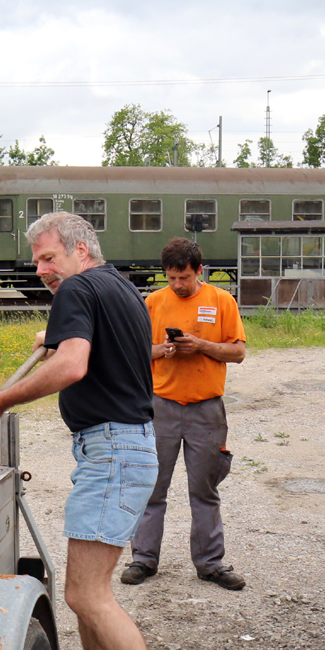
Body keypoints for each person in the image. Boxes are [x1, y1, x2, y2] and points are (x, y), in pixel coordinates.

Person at [0, 211, 194, 650]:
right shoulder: (122, 289)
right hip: (129, 446)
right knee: (88, 589)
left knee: (86, 595)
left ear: (81, 249)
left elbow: (73, 365)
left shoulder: (77, 289)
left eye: (48, 257)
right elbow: (108, 353)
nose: (41, 269)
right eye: (36, 260)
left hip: (111, 451)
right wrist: (61, 332)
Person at [122, 238, 247, 590]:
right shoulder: (151, 303)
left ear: (199, 271)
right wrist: (162, 350)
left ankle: (211, 565)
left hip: (206, 410)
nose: (178, 285)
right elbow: (135, 353)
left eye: (185, 278)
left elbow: (237, 353)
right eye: (172, 278)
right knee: (151, 488)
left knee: (204, 490)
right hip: (160, 408)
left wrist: (201, 345)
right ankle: (143, 561)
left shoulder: (222, 301)